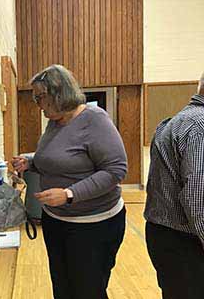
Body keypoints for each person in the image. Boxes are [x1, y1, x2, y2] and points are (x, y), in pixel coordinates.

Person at [12, 64, 128, 299]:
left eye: (39, 97)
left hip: (94, 225)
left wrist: (69, 194)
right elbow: (59, 157)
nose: (37, 104)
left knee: (87, 290)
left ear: (58, 93)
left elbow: (116, 170)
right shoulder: (55, 121)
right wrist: (30, 161)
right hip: (56, 220)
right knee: (63, 288)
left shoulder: (94, 119)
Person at [144, 72, 204, 299]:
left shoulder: (175, 120)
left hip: (168, 237)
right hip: (186, 242)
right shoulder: (200, 126)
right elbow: (199, 198)